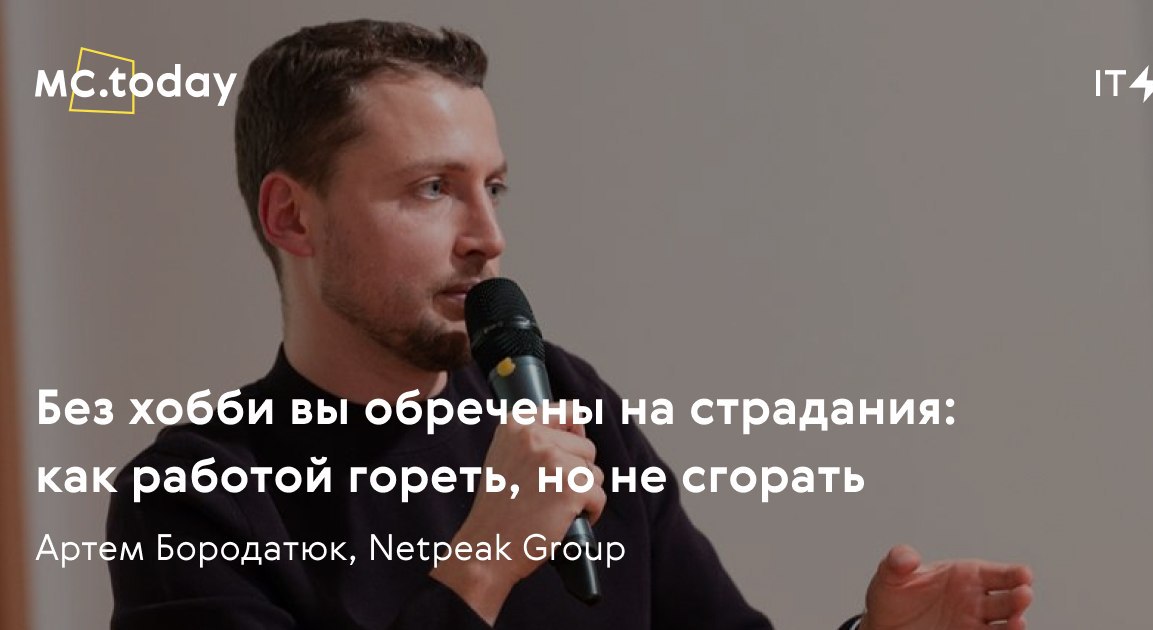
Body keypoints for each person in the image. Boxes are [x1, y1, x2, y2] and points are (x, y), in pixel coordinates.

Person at [106, 19, 1034, 629]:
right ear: (292, 217)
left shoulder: (560, 397)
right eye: (431, 189)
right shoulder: (190, 500)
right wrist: (484, 563)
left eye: (494, 187)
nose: (488, 236)